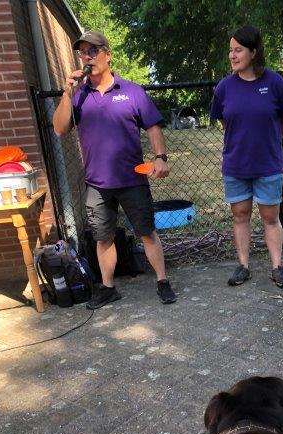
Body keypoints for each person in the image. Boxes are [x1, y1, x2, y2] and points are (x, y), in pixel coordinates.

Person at [53, 31, 176, 308]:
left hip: (133, 179)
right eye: (83, 52)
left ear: (108, 55)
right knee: (103, 237)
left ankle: (162, 281)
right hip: (97, 183)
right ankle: (108, 288)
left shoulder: (132, 91)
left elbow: (153, 126)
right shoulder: (78, 97)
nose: (87, 57)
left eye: (93, 51)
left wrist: (161, 157)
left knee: (147, 231)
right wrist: (66, 93)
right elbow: (60, 129)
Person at [211, 25, 283, 288]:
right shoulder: (224, 88)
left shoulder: (275, 83)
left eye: (238, 50)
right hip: (236, 165)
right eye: (230, 51)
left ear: (254, 52)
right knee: (240, 216)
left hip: (268, 164)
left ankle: (277, 267)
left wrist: (268, 141)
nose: (232, 56)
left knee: (271, 217)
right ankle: (243, 266)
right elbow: (225, 121)